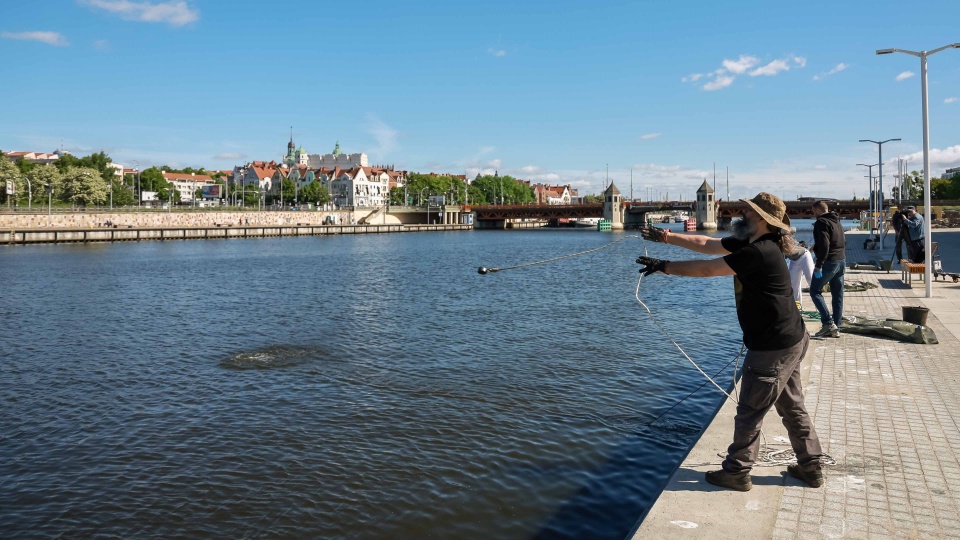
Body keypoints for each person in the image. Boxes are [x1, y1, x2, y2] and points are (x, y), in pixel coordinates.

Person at [638, 192, 824, 491]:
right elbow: (707, 245)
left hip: (772, 347)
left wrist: (664, 266)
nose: (742, 214)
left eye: (749, 212)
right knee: (792, 407)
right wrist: (666, 237)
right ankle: (811, 467)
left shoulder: (759, 251)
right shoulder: (751, 242)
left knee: (750, 410)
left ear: (762, 220)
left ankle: (737, 471)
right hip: (790, 339)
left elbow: (709, 269)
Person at [810, 201, 845, 338]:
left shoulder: (821, 223)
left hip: (829, 262)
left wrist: (819, 264)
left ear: (818, 210)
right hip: (841, 260)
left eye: (813, 212)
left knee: (815, 291)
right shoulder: (836, 221)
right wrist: (816, 247)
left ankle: (828, 323)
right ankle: (837, 325)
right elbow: (838, 240)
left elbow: (825, 244)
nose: (813, 215)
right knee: (837, 295)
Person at [788, 241, 815, 309]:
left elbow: (793, 230)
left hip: (804, 255)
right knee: (793, 284)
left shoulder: (784, 239)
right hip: (794, 259)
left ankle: (821, 308)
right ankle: (798, 307)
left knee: (811, 280)